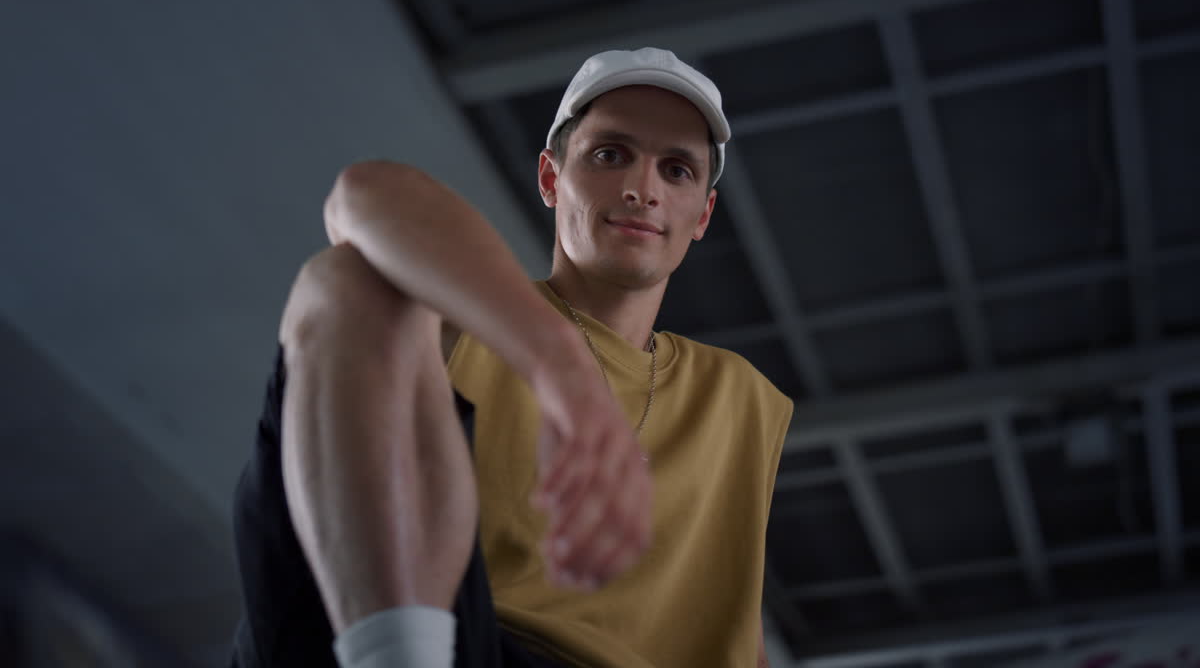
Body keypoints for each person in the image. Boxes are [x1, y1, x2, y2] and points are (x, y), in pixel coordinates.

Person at [228, 47, 793, 668]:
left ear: (703, 214)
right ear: (551, 178)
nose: (642, 189)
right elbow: (364, 194)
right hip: (437, 634)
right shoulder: (472, 317)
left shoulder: (741, 396)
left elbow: (738, 629)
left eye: (678, 170)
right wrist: (562, 372)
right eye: (611, 155)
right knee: (347, 277)